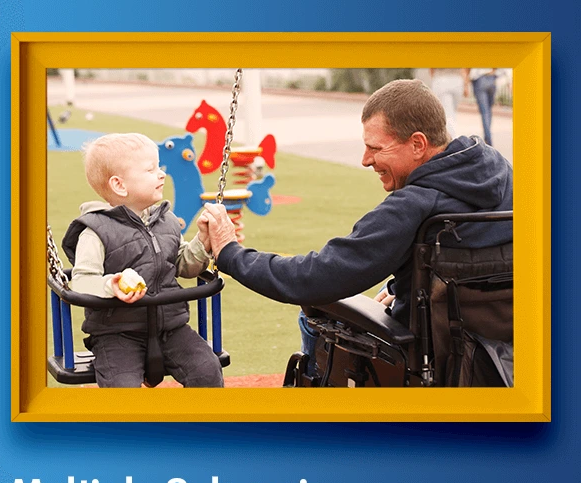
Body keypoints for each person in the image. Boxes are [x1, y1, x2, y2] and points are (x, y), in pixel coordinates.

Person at [202, 79, 512, 374]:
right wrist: (419, 285)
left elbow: (315, 278)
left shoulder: (412, 207)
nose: (365, 160)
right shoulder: (506, 178)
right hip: (506, 353)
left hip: (428, 355)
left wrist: (230, 252)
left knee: (314, 314)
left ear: (418, 144)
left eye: (375, 148)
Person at [61, 133, 223, 388]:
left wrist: (202, 242)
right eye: (150, 169)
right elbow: (81, 281)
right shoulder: (95, 231)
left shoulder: (167, 221)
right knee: (122, 388)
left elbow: (183, 265)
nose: (161, 174)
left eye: (158, 166)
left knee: (207, 372)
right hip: (116, 333)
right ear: (119, 185)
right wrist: (111, 284)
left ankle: (206, 426)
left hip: (171, 327)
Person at [464, 68, 499, 146]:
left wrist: (466, 83)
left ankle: (488, 139)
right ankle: (488, 136)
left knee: (485, 112)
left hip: (480, 79)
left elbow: (467, 67)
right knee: (488, 110)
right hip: (492, 78)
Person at [429, 68, 467, 138]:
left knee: (447, 113)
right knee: (452, 112)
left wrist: (433, 79)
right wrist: (465, 84)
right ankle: (450, 136)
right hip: (457, 81)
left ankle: (451, 138)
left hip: (441, 79)